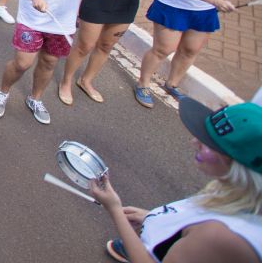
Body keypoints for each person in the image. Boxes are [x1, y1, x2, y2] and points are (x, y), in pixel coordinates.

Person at [91, 97, 262, 263]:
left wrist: (114, 209)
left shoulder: (219, 236)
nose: (194, 141)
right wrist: (154, 220)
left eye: (209, 144)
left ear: (238, 167)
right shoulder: (239, 193)